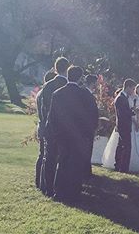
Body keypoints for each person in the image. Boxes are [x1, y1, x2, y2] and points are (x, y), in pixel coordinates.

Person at [45, 66, 99, 203]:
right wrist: (89, 132)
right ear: (80, 77)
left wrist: (56, 133)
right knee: (76, 163)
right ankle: (74, 190)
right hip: (79, 135)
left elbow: (52, 117)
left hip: (62, 134)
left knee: (62, 161)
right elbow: (93, 115)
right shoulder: (85, 94)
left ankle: (59, 190)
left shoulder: (58, 94)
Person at [102, 81, 139, 173]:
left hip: (124, 124)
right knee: (126, 147)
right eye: (133, 88)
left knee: (121, 146)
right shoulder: (121, 98)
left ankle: (119, 165)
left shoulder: (124, 97)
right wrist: (134, 110)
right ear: (127, 87)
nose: (133, 91)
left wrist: (134, 110)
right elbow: (124, 112)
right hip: (124, 125)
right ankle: (123, 168)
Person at [38, 57, 70, 195]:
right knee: (63, 158)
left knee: (49, 157)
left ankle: (47, 187)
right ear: (67, 68)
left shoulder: (48, 85)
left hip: (50, 127)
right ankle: (60, 187)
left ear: (55, 68)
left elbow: (44, 108)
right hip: (65, 128)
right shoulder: (69, 86)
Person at [35, 68, 57, 189]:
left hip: (41, 126)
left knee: (42, 154)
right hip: (45, 126)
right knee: (45, 154)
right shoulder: (45, 93)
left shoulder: (40, 93)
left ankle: (39, 180)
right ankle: (42, 181)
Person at [81, 73, 99, 178]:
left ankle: (86, 170)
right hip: (86, 127)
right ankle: (85, 172)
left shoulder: (87, 93)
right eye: (95, 83)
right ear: (92, 83)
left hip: (88, 126)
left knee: (88, 149)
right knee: (86, 149)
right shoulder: (85, 94)